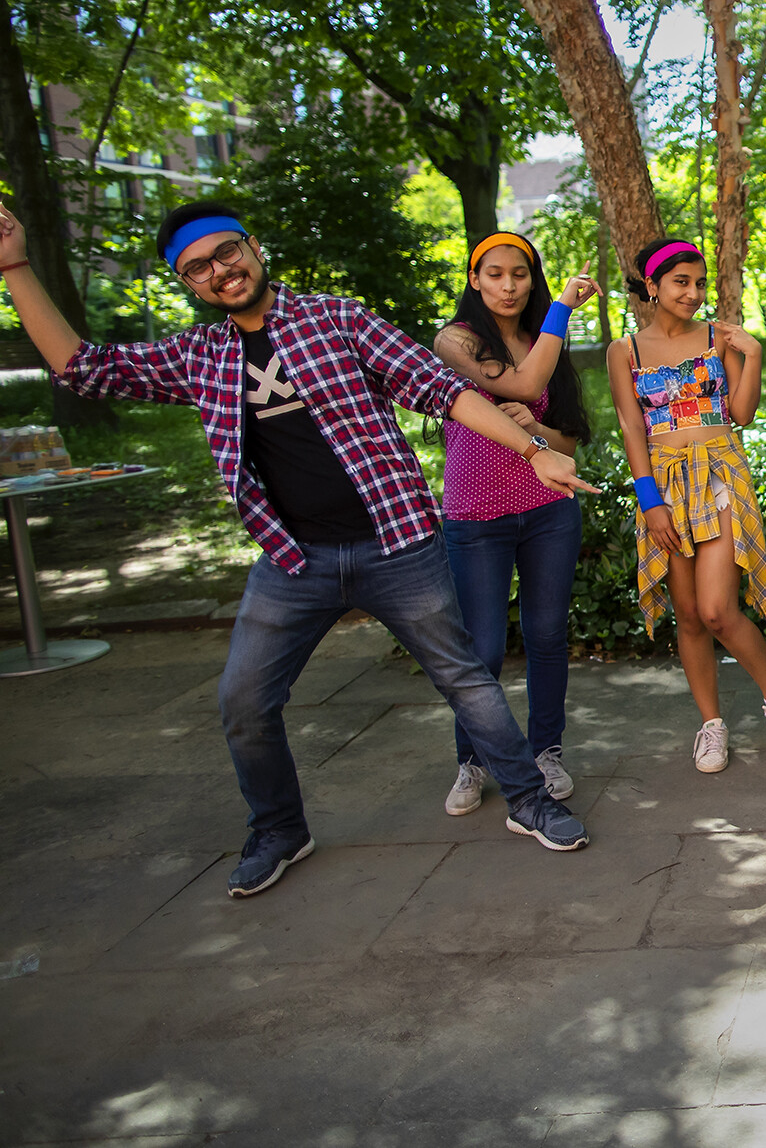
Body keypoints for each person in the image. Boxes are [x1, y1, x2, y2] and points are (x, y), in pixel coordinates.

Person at [0, 200, 596, 897]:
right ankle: (281, 828)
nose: (220, 271)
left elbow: (441, 389)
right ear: (189, 284)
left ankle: (529, 800)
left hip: (395, 540)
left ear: (252, 246)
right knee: (244, 700)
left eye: (226, 252)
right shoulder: (199, 355)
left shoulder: (335, 318)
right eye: (199, 268)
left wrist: (534, 451)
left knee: (466, 676)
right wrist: (13, 263)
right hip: (293, 559)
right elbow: (83, 367)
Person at [609, 238, 766, 774]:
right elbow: (631, 427)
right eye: (681, 282)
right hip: (665, 484)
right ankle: (712, 725)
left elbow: (741, 414)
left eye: (700, 283)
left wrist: (755, 354)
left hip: (719, 473)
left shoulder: (720, 337)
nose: (694, 293)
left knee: (718, 608)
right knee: (690, 615)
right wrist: (649, 501)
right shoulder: (624, 350)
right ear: (652, 285)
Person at [432, 231, 599, 815]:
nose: (508, 285)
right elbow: (521, 384)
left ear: (532, 279)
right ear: (475, 280)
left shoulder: (542, 338)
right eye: (495, 274)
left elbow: (567, 439)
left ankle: (545, 750)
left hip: (549, 512)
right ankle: (474, 761)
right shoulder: (456, 339)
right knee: (479, 648)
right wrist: (563, 310)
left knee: (548, 636)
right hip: (476, 518)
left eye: (520, 274)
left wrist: (535, 427)